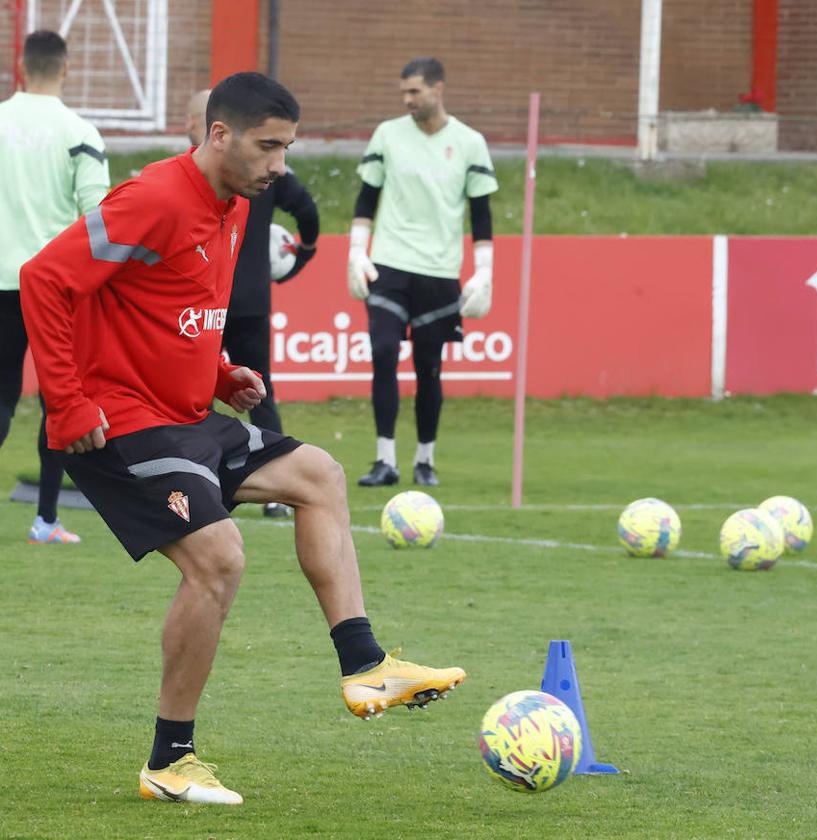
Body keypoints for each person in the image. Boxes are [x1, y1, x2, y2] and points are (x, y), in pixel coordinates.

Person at [20, 71, 465, 806]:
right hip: (119, 421)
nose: (280, 164)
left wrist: (221, 373)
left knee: (318, 474)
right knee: (219, 559)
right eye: (268, 146)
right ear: (219, 135)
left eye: (286, 148)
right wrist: (66, 405)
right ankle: (171, 761)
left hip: (184, 413)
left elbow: (168, 306)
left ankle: (365, 664)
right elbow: (45, 280)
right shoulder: (153, 199)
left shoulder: (234, 205)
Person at [348, 56, 498, 488]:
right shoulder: (387, 135)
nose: (408, 100)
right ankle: (384, 460)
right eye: (404, 94)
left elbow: (481, 213)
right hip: (390, 265)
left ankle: (425, 460)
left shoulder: (470, 142)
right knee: (382, 352)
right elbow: (366, 199)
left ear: (438, 89)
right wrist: (357, 252)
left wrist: (484, 271)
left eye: (415, 91)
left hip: (439, 272)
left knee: (429, 367)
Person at [186, 88, 320, 518]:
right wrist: (306, 253)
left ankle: (197, 485)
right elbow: (308, 212)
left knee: (208, 393)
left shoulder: (235, 175)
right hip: (248, 300)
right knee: (257, 391)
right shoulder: (187, 184)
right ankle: (276, 494)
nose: (276, 163)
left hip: (210, 304)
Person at [0, 30, 110, 544]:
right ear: (65, 69)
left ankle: (47, 521)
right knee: (56, 403)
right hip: (54, 291)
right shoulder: (79, 130)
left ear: (21, 69)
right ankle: (45, 521)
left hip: (0, 281)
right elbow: (99, 215)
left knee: (1, 399)